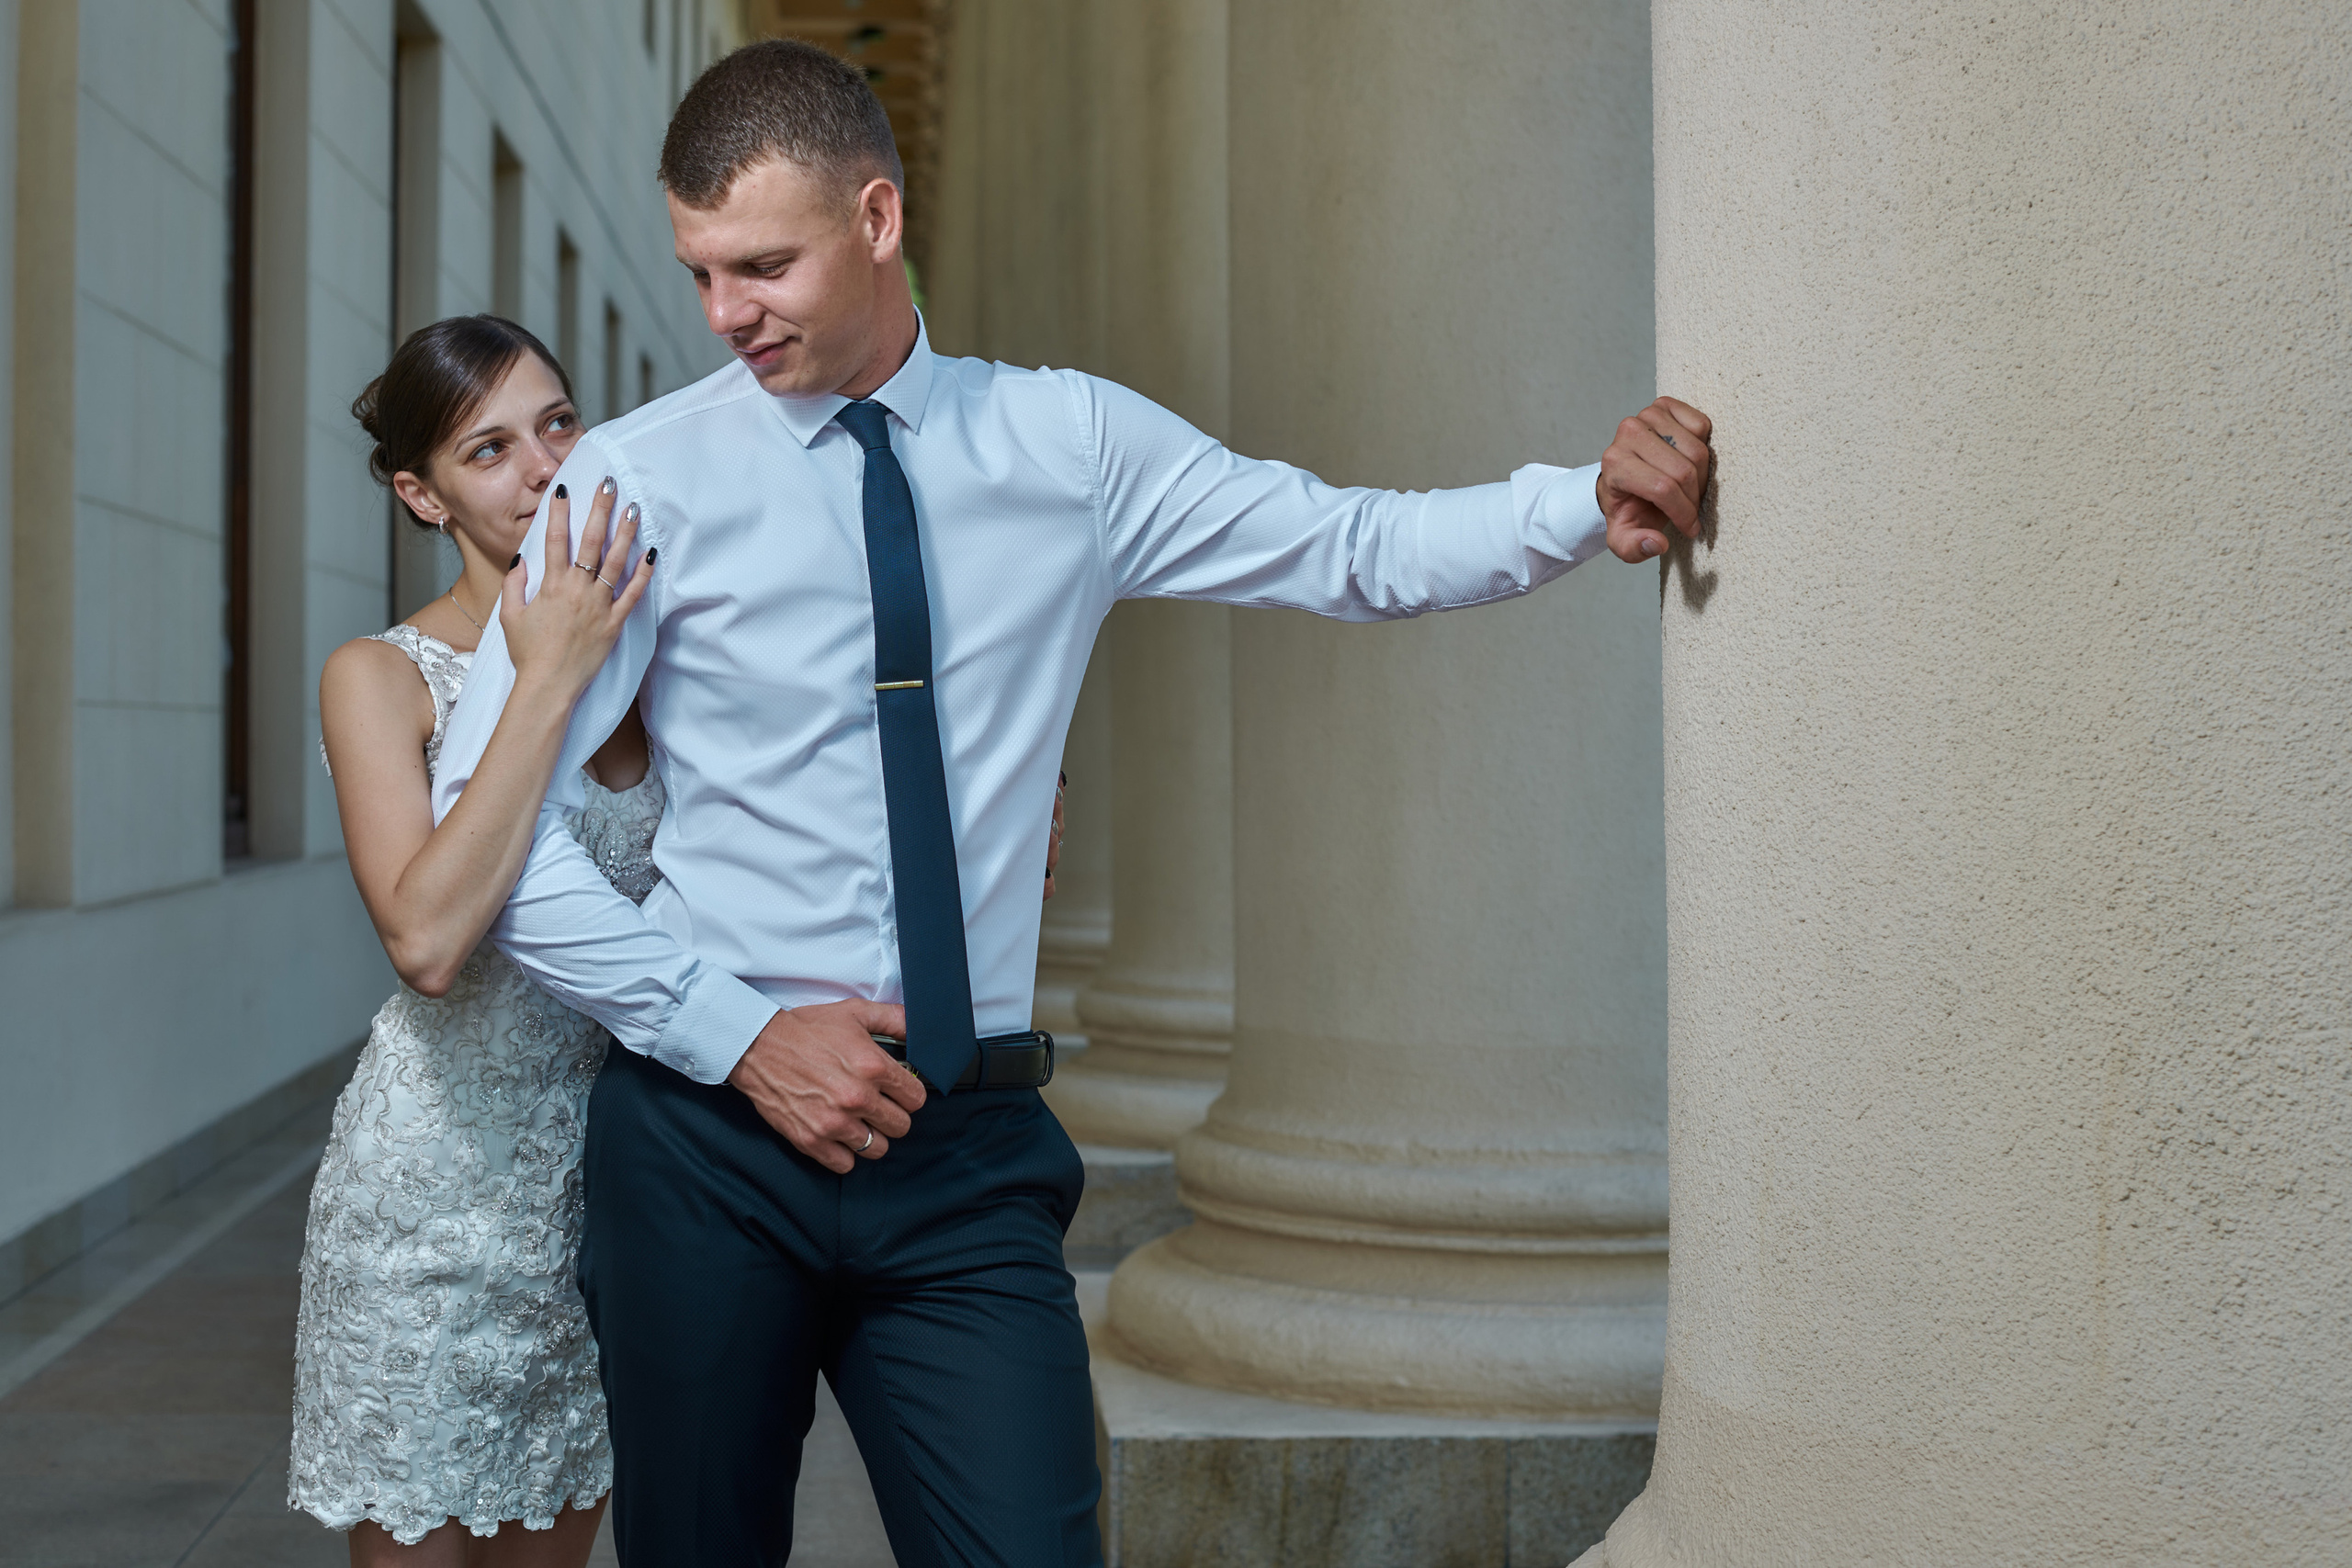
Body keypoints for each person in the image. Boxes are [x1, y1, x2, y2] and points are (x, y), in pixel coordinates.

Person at [432, 39, 1713, 1568]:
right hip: (711, 1152)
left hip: (965, 1159)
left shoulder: (1072, 446)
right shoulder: (633, 484)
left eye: (763, 265)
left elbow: (1349, 545)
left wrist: (1584, 501)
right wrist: (743, 1035)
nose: (725, 314)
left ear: (879, 218)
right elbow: (495, 831)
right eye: (703, 271)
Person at [288, 311, 1070, 1565]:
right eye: (487, 451)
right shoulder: (380, 678)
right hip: (447, 1188)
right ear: (419, 495)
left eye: (557, 422)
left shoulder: (661, 651)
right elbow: (427, 939)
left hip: (634, 1164)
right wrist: (544, 674)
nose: (545, 468)